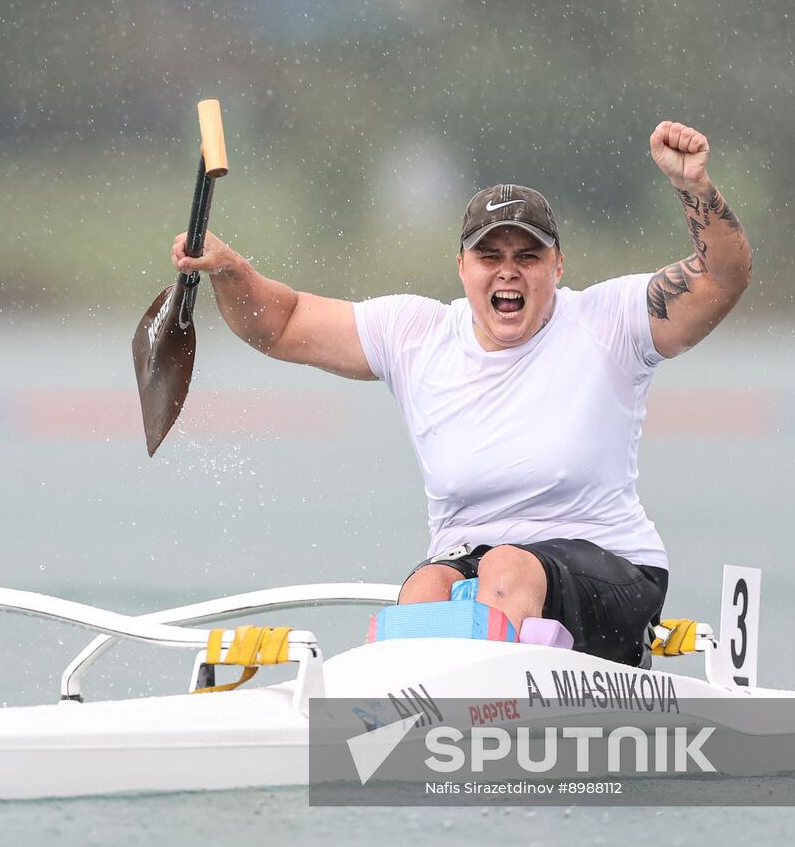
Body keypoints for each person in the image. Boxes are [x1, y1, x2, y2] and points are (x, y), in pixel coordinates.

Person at [171, 121, 752, 666]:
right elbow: (284, 323)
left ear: (558, 266)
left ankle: (480, 709)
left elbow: (722, 278)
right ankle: (410, 720)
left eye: (528, 256)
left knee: (507, 568)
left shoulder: (611, 320)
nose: (509, 272)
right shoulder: (416, 334)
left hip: (614, 572)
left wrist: (693, 186)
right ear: (461, 266)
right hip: (477, 569)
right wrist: (227, 268)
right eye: (489, 256)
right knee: (425, 586)